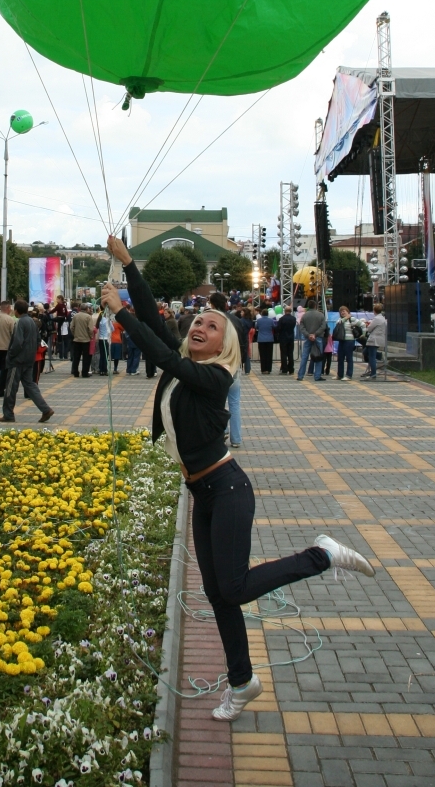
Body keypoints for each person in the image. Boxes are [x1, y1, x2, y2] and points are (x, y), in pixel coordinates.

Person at [101, 237, 374, 721]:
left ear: (226, 344)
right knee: (218, 594)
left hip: (228, 491)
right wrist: (127, 266)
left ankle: (322, 554)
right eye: (198, 322)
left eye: (213, 325)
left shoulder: (214, 379)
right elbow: (155, 325)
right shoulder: (185, 365)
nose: (201, 326)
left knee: (232, 588)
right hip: (202, 493)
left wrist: (120, 314)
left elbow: (161, 353)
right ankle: (242, 682)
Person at [0, 300, 54, 424]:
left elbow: (17, 342)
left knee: (11, 387)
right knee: (30, 385)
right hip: (29, 359)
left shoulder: (20, 323)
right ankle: (45, 409)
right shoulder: (33, 322)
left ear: (16, 310)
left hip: (17, 360)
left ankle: (8, 414)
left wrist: (11, 355)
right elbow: (38, 339)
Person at [209, 292, 241, 449]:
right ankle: (236, 439)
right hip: (234, 365)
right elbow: (242, 344)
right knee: (234, 403)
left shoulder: (212, 320)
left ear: (212, 304)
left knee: (217, 404)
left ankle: (222, 433)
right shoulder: (236, 319)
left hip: (217, 365)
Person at [297, 298, 326, 382]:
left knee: (305, 357)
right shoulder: (320, 315)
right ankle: (317, 376)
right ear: (315, 306)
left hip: (307, 337)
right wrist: (315, 334)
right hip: (318, 337)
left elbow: (301, 327)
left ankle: (300, 375)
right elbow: (323, 326)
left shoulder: (304, 315)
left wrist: (308, 334)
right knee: (318, 356)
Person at [332, 306, 360, 381]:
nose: (343, 312)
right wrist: (345, 318)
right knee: (340, 358)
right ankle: (339, 375)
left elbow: (362, 325)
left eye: (344, 311)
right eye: (341, 312)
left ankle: (349, 375)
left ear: (348, 311)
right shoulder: (340, 320)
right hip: (341, 340)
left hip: (349, 341)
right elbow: (339, 323)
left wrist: (363, 334)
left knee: (349, 358)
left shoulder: (352, 319)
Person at [361, 303, 387, 380]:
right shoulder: (382, 318)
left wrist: (367, 326)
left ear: (374, 310)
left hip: (374, 340)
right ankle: (379, 355)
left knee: (371, 357)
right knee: (365, 352)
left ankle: (373, 374)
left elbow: (369, 329)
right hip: (378, 339)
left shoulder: (376, 319)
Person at [70, 305, 94, 378]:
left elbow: (71, 327)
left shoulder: (75, 316)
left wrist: (75, 334)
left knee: (76, 357)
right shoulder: (88, 317)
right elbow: (90, 329)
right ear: (87, 309)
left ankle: (75, 372)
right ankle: (84, 373)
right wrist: (90, 336)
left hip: (76, 339)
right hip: (86, 340)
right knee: (86, 357)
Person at [254, 307, 276, 374]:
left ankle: (263, 369)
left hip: (261, 339)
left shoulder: (259, 320)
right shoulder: (271, 320)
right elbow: (274, 327)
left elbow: (256, 327)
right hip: (269, 339)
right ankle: (268, 369)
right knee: (269, 355)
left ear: (262, 314)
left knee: (262, 354)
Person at [275, 307, 296, 375]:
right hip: (291, 337)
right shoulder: (293, 319)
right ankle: (291, 369)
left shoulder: (282, 319)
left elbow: (278, 328)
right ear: (290, 311)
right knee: (290, 353)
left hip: (283, 338)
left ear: (284, 311)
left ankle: (284, 369)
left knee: (283, 354)